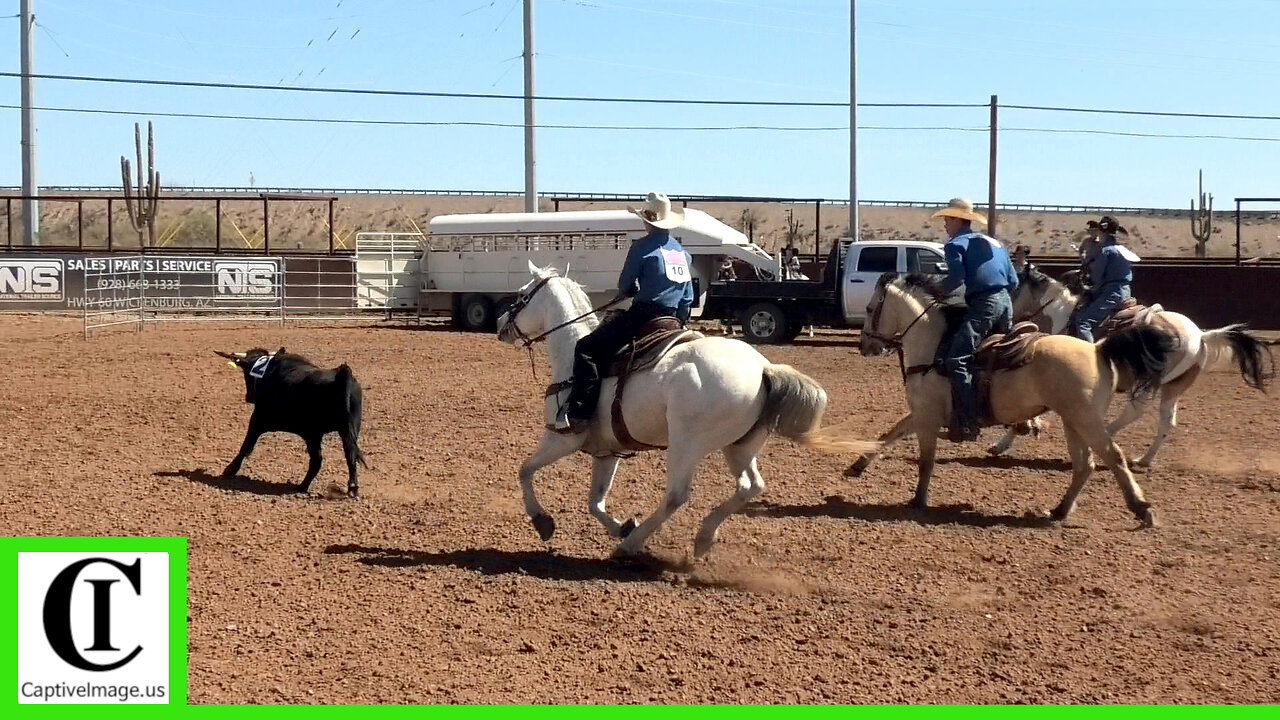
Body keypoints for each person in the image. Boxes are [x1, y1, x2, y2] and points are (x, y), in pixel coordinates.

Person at [555, 192, 695, 433]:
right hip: (673, 321)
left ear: (647, 220)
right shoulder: (682, 253)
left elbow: (625, 286)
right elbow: (688, 297)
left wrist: (632, 289)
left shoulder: (642, 247)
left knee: (586, 349)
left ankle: (579, 414)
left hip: (643, 316)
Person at [931, 197, 1019, 443]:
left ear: (959, 219)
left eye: (948, 219)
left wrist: (932, 291)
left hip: (984, 304)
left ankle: (967, 422)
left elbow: (956, 278)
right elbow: (1014, 281)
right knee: (1003, 357)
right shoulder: (995, 243)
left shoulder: (955, 244)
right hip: (1005, 303)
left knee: (957, 359)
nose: (945, 224)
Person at [1069, 215, 1137, 342]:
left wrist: (1087, 285)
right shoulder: (1122, 249)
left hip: (1111, 293)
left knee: (1083, 322)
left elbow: (1096, 277)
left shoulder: (1105, 251)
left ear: (1101, 231)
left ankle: (1090, 357)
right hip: (1126, 291)